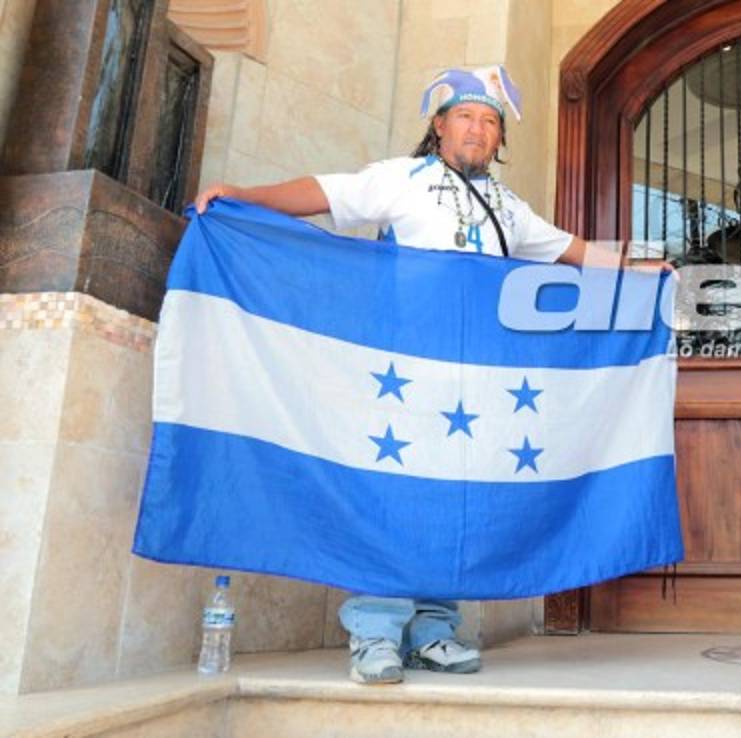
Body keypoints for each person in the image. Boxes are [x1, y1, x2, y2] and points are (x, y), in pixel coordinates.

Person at [195, 65, 666, 683]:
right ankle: (375, 632)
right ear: (440, 127)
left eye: (490, 121)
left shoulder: (509, 208)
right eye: (466, 117)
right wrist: (245, 196)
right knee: (394, 494)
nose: (478, 128)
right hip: (400, 370)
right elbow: (321, 194)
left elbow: (573, 252)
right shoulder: (402, 179)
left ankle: (433, 630)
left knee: (456, 495)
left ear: (499, 141)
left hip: (476, 378)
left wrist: (646, 270)